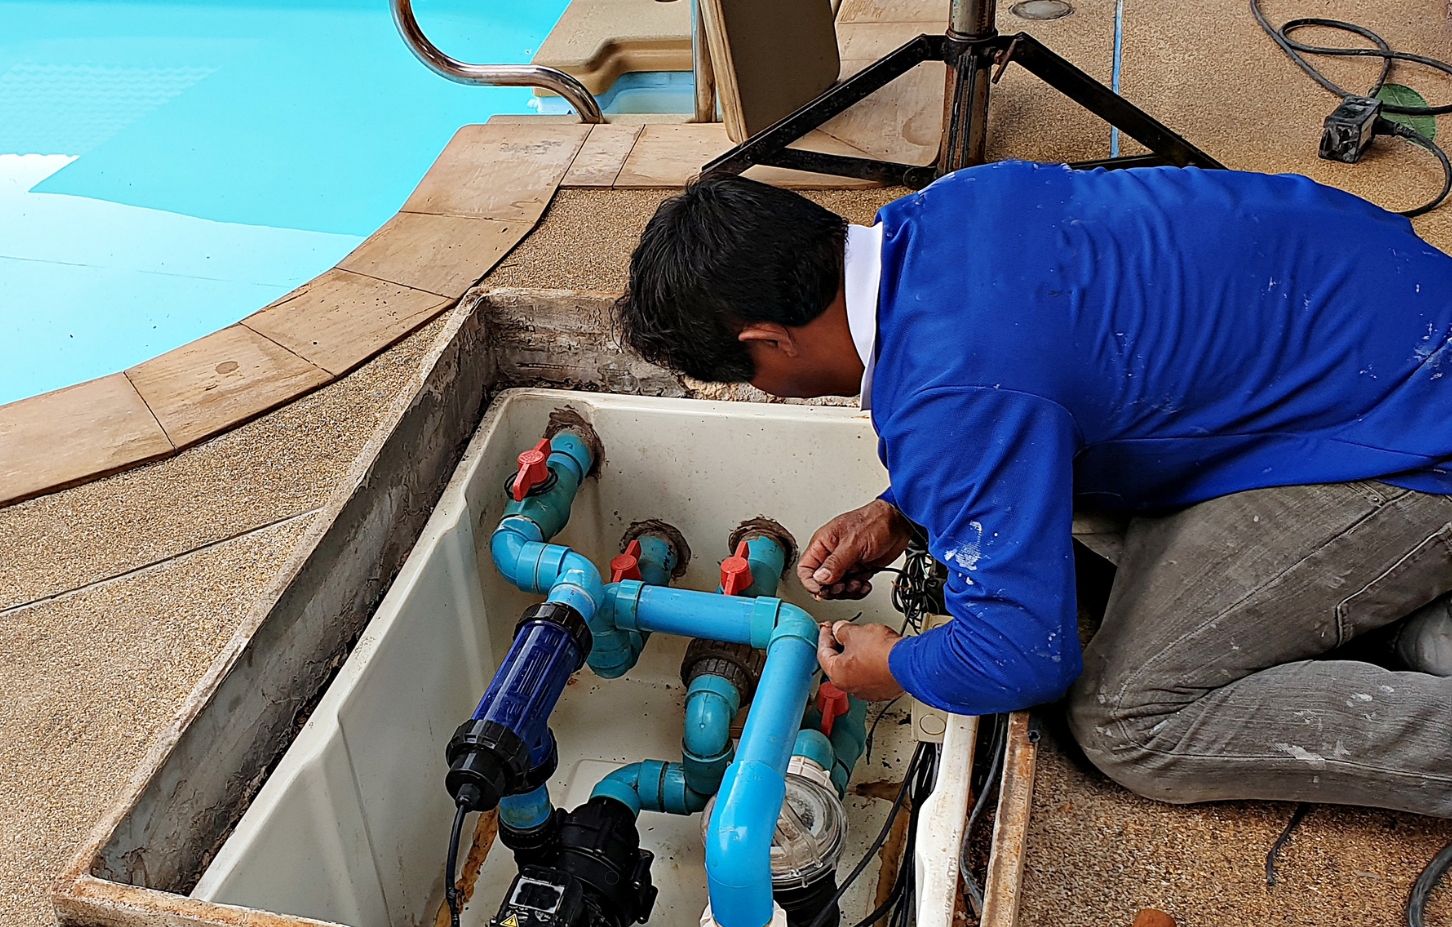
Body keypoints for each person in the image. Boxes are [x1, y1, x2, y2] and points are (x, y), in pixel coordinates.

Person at [614, 162, 1452, 816]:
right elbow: (1034, 370)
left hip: (1411, 428)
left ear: (769, 341)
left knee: (1126, 721)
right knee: (1077, 533)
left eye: (749, 375)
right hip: (1385, 313)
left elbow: (1022, 657)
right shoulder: (949, 208)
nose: (766, 394)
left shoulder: (950, 401)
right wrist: (903, 508)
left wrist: (898, 665)